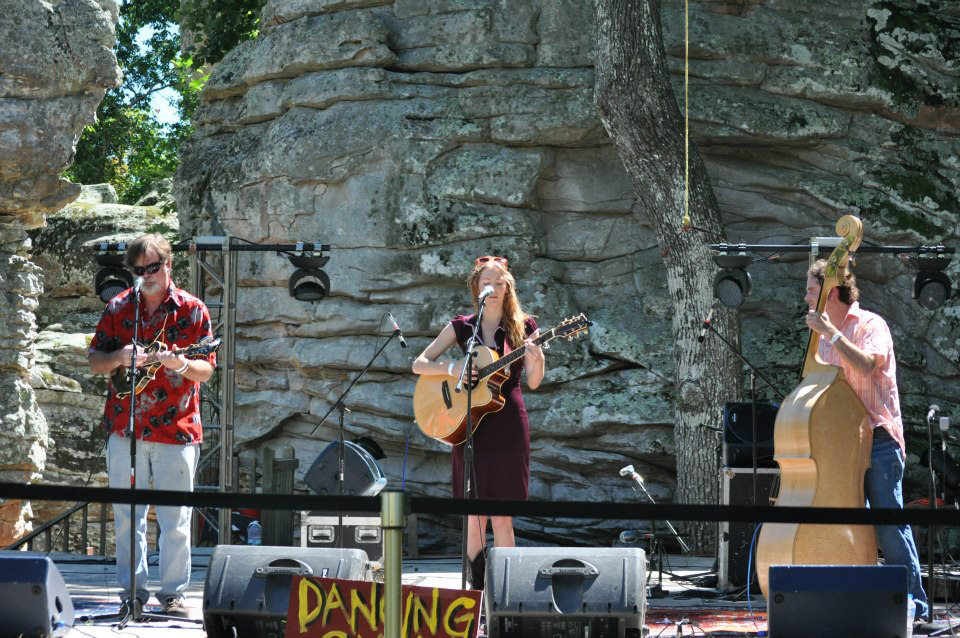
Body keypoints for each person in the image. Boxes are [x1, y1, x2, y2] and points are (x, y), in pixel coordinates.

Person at [87, 234, 215, 619]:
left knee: (176, 518)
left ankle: (173, 593)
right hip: (125, 429)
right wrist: (120, 356)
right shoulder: (119, 307)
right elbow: (95, 360)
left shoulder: (192, 310)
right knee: (128, 517)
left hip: (176, 428)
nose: (147, 275)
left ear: (168, 264)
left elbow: (207, 368)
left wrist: (180, 365)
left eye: (153, 267)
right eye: (139, 270)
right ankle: (132, 592)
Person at [804, 259, 928, 621]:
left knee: (889, 523)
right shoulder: (821, 338)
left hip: (878, 439)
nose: (807, 297)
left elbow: (869, 366)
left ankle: (914, 604)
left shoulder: (872, 325)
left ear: (832, 293)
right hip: (840, 443)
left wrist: (833, 335)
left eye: (813, 290)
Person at [412, 255, 545, 588]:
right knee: (474, 517)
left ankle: (507, 592)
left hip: (508, 426)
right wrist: (451, 369)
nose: (495, 288)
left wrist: (537, 357)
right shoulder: (462, 326)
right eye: (488, 282)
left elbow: (534, 382)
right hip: (469, 425)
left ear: (508, 287)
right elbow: (420, 363)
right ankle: (475, 593)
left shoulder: (525, 327)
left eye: (500, 283)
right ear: (477, 287)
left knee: (502, 517)